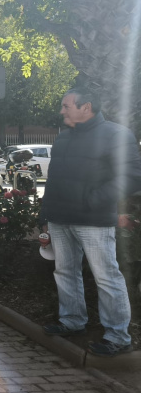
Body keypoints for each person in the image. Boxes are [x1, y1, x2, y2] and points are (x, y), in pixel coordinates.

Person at [39, 87, 141, 357]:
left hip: (93, 220)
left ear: (87, 107)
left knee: (107, 277)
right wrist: (44, 214)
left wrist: (94, 199)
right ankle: (73, 321)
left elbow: (132, 175)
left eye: (66, 106)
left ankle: (118, 337)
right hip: (60, 218)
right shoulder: (63, 138)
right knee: (64, 272)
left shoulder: (117, 135)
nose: (62, 111)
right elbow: (53, 181)